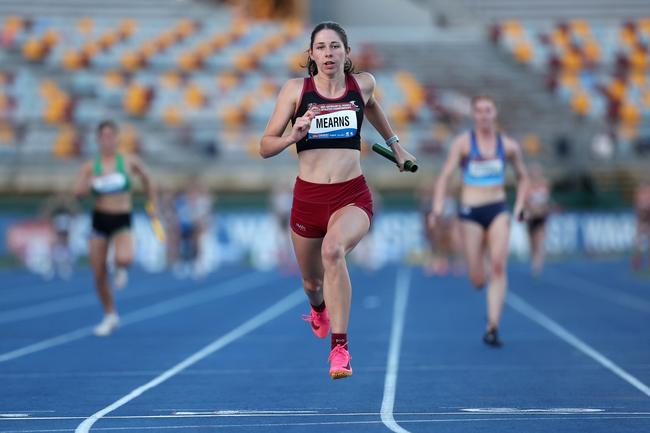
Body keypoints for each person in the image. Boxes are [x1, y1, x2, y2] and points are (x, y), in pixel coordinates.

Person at [260, 21, 415, 379]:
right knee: (312, 285)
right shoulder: (295, 91)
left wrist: (396, 145)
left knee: (333, 251)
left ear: (346, 53)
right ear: (311, 55)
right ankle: (317, 309)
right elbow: (264, 146)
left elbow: (372, 105)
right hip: (308, 199)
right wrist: (291, 136)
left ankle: (340, 349)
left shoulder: (362, 84)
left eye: (335, 47)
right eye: (321, 47)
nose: (328, 53)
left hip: (351, 195)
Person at [429, 95, 528, 347]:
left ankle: (492, 325)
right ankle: (481, 274)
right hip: (470, 212)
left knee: (498, 266)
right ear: (474, 115)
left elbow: (523, 178)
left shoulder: (508, 146)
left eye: (488, 110)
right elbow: (445, 176)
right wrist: (438, 206)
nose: (484, 115)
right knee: (477, 278)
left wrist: (519, 206)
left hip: (497, 208)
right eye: (479, 111)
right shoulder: (463, 143)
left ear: (495, 114)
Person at [74, 120, 156, 336]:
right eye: (104, 136)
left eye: (112, 135)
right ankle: (110, 315)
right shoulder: (91, 166)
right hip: (100, 219)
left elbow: (148, 178)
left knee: (125, 258)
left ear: (117, 138)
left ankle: (119, 268)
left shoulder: (128, 161)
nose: (108, 140)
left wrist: (151, 204)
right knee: (99, 274)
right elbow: (78, 193)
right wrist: (91, 182)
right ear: (98, 139)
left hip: (122, 218)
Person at [525, 163, 552, 277]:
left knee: (540, 242)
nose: (535, 174)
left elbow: (546, 202)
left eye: (537, 172)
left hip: (541, 217)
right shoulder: (527, 186)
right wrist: (531, 211)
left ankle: (537, 266)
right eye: (533, 172)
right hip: (531, 218)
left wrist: (543, 210)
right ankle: (534, 261)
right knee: (532, 244)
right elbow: (525, 203)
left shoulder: (544, 184)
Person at [632, 180, 650, 271]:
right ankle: (637, 260)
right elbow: (638, 209)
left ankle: (645, 261)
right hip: (641, 221)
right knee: (638, 240)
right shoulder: (640, 196)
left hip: (647, 221)